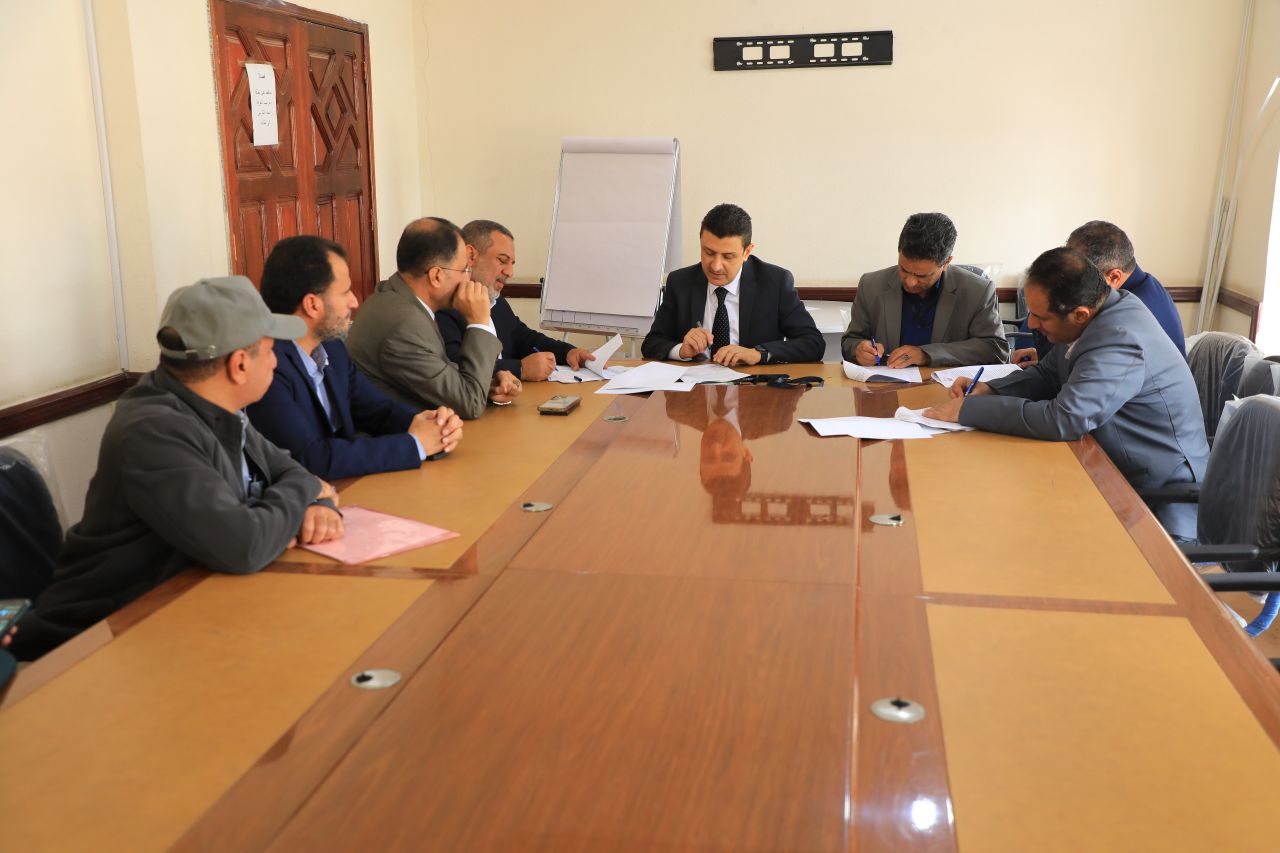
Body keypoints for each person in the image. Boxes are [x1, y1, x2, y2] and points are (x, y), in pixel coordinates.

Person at [12, 277, 343, 660]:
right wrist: (301, 498)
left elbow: (291, 472)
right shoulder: (151, 430)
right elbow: (245, 545)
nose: (275, 361)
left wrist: (312, 505)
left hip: (184, 609)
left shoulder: (219, 408)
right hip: (96, 641)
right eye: (270, 351)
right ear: (239, 364)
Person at [924, 247, 1208, 540]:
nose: (1030, 324)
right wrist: (991, 389)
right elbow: (1049, 374)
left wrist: (968, 411)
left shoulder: (1119, 340)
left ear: (1079, 314)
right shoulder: (1094, 312)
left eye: (1040, 317)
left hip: (1159, 499)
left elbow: (1065, 419)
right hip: (1108, 466)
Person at [248, 235, 463, 480]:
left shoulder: (332, 349)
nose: (354, 301)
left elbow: (377, 410)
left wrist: (430, 424)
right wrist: (415, 445)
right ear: (312, 305)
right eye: (345, 292)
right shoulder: (266, 364)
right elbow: (310, 458)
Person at [347, 217, 521, 419]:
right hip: (393, 435)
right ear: (436, 276)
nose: (468, 278)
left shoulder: (396, 297)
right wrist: (480, 323)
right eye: (465, 270)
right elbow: (470, 403)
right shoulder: (403, 324)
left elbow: (439, 373)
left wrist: (488, 384)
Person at [641, 203, 824, 365]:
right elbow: (652, 343)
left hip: (754, 387)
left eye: (728, 256)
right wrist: (681, 350)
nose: (716, 266)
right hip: (695, 387)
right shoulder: (680, 282)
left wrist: (758, 354)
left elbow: (813, 343)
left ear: (747, 252)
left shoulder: (775, 282)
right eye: (708, 252)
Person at [841, 212, 1008, 367]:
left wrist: (927, 355)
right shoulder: (871, 285)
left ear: (946, 263)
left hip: (949, 386)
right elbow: (850, 341)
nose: (910, 282)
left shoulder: (977, 291)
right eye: (904, 270)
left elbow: (995, 349)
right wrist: (859, 349)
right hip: (886, 384)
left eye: (922, 276)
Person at [436, 220, 595, 381]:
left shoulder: (496, 300)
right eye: (502, 260)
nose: (510, 272)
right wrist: (520, 368)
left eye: (512, 264)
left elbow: (521, 337)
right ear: (471, 256)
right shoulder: (444, 306)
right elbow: (454, 368)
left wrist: (568, 352)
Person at [1011, 220, 1186, 366]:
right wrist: (1048, 361)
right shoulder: (1140, 286)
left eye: (1079, 274)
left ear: (1113, 277)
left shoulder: (1127, 316)